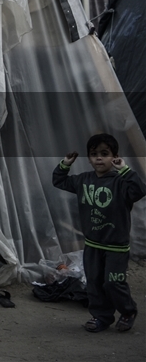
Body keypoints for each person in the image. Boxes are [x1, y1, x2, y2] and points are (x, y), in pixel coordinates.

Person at [53, 133, 144, 333]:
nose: (99, 158)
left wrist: (125, 170)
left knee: (113, 282)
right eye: (94, 154)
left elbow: (139, 191)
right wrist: (65, 163)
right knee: (94, 283)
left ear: (115, 157)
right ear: (89, 157)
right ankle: (102, 317)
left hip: (116, 246)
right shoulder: (83, 180)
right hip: (93, 245)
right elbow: (58, 181)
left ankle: (128, 311)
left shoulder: (121, 182)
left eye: (105, 153)